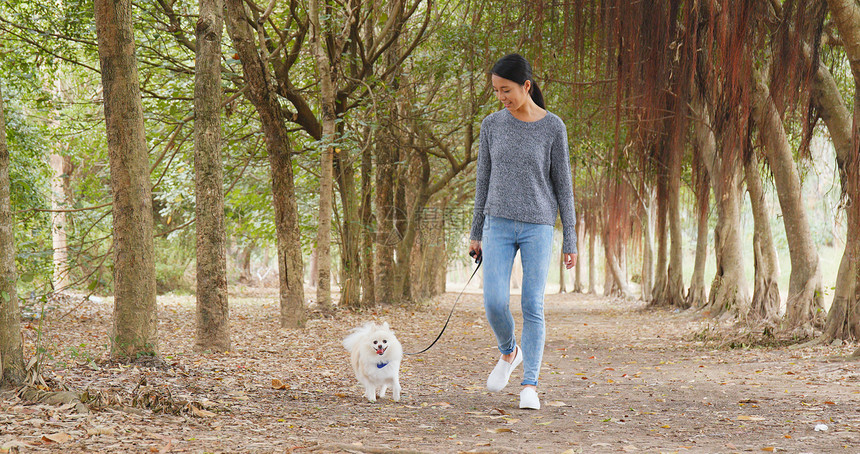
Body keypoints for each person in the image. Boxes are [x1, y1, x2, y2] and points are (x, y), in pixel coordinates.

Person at [468, 53, 577, 410]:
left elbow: (563, 186)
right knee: (494, 302)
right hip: (496, 223)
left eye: (507, 90)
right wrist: (476, 232)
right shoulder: (491, 126)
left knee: (532, 303)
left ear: (525, 86)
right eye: (497, 91)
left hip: (538, 225)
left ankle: (530, 384)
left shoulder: (553, 127)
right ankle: (508, 351)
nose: (501, 97)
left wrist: (570, 238)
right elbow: (482, 181)